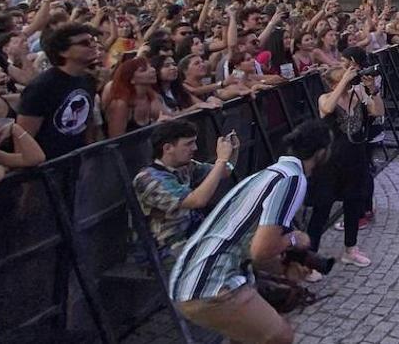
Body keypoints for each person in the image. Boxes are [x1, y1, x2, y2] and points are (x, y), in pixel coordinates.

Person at [168, 120, 333, 344]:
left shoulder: (271, 173)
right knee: (280, 336)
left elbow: (249, 245)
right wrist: (295, 239)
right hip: (210, 283)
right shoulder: (292, 179)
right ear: (321, 152)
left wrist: (282, 268)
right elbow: (261, 249)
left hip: (189, 279)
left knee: (248, 338)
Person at [305, 48, 382, 268]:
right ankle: (309, 258)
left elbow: (377, 112)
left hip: (355, 160)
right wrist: (344, 81)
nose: (349, 80)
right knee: (322, 209)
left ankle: (350, 249)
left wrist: (372, 90)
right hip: (329, 164)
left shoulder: (358, 95)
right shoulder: (325, 98)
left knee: (353, 205)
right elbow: (328, 108)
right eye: (343, 78)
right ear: (333, 83)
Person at [133, 120, 238, 266]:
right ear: (168, 148)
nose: (195, 148)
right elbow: (197, 201)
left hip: (194, 234)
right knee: (224, 259)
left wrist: (233, 151)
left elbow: (224, 171)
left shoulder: (185, 166)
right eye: (188, 144)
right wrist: (221, 160)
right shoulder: (148, 179)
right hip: (167, 248)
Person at [16, 23, 101, 159]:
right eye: (84, 43)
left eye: (93, 40)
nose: (93, 45)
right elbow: (23, 135)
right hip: (49, 164)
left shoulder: (88, 80)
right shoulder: (42, 86)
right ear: (63, 52)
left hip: (77, 160)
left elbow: (86, 121)